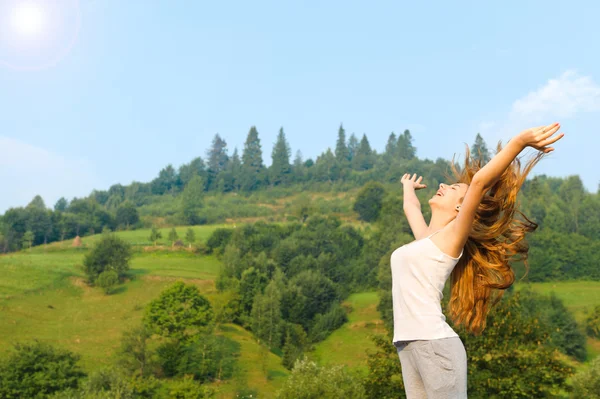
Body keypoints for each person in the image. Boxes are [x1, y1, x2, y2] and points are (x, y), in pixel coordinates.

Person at [391, 123, 564, 398]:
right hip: (407, 344)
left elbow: (481, 182)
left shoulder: (452, 237)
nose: (441, 185)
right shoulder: (424, 239)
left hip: (434, 344)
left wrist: (519, 142)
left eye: (453, 187)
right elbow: (409, 207)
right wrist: (407, 187)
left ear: (462, 206)